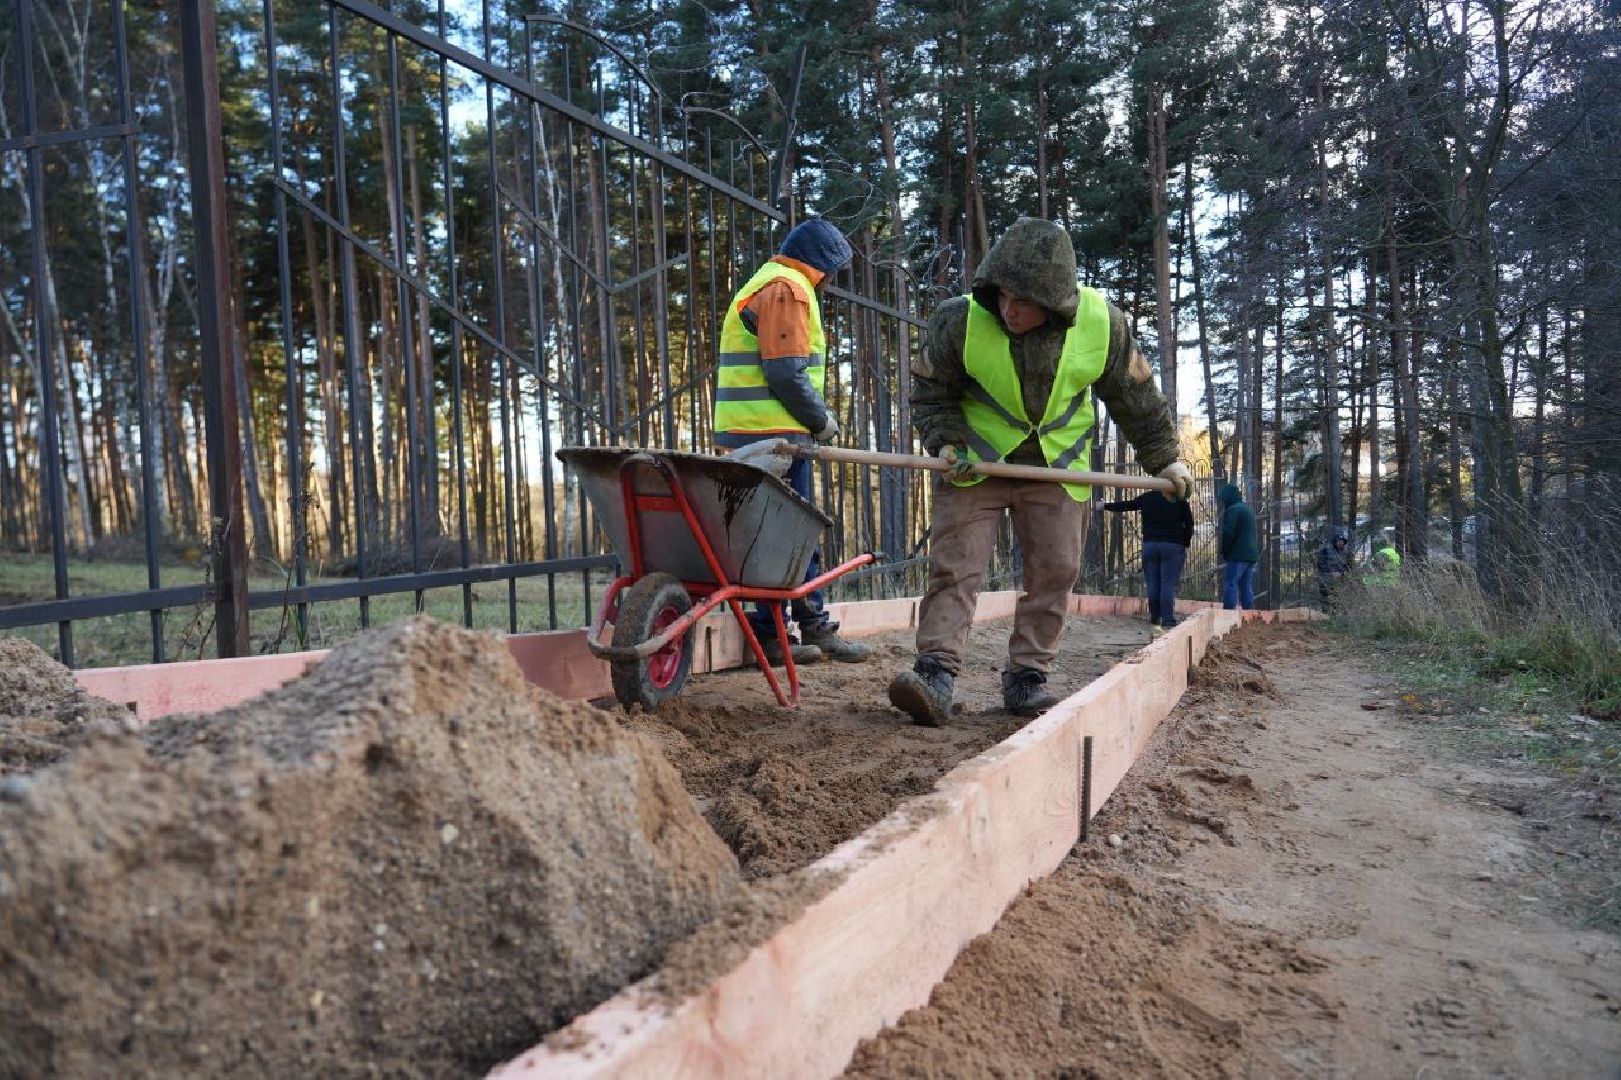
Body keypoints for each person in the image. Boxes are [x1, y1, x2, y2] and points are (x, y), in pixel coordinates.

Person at [886, 217, 1191, 726]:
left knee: (1056, 570)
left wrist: (1165, 457)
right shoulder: (957, 319)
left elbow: (1135, 397)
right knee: (955, 565)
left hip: (1059, 465)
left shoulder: (1103, 323)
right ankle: (935, 673)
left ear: (1054, 302)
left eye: (1023, 301)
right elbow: (931, 393)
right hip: (976, 462)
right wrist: (946, 441)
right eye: (1002, 295)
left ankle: (1027, 676)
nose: (1008, 309)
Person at [713, 216, 871, 665]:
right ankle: (812, 629)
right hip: (775, 440)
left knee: (770, 538)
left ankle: (771, 635)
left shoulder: (765, 281)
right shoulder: (789, 288)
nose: (830, 281)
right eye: (833, 270)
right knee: (793, 537)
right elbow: (784, 371)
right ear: (820, 264)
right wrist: (820, 420)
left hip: (752, 434)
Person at [1104, 489, 1195, 629]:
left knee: (1152, 582)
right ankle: (1167, 619)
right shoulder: (1178, 498)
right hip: (1172, 546)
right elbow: (1189, 522)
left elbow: (1128, 505)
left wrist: (1106, 505)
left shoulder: (1148, 497)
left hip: (1150, 545)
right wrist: (1186, 541)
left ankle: (1154, 616)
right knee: (1167, 583)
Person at [1217, 483, 1258, 610]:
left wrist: (1225, 551)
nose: (1223, 503)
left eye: (1224, 500)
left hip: (1237, 555)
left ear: (1228, 498)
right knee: (1246, 586)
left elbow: (1228, 533)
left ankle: (1228, 615)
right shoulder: (1247, 509)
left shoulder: (1233, 510)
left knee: (1231, 583)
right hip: (1251, 556)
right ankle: (1249, 615)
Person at [1316, 526, 1352, 610]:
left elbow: (1349, 566)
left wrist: (1343, 574)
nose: (1341, 543)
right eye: (1339, 541)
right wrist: (1330, 574)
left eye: (1342, 541)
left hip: (1340, 579)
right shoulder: (1325, 551)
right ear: (1335, 541)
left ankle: (1335, 614)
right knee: (1325, 597)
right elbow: (1320, 565)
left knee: (1338, 597)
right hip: (1326, 578)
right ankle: (1325, 613)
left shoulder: (1346, 553)